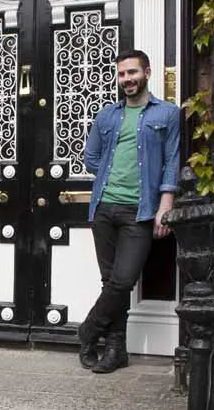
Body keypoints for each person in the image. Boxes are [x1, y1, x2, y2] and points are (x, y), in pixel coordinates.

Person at [77, 49, 180, 373]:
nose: (127, 80)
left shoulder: (166, 114)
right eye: (122, 74)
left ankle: (88, 330)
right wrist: (112, 175)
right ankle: (115, 349)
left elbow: (172, 162)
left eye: (132, 73)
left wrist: (165, 205)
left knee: (122, 281)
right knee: (110, 280)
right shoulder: (107, 116)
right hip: (104, 207)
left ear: (147, 73)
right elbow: (90, 157)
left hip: (139, 211)